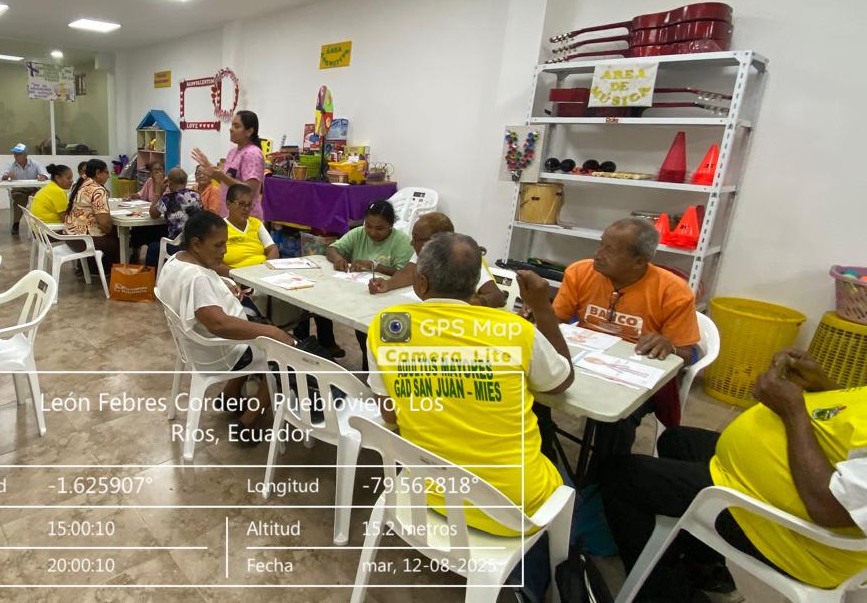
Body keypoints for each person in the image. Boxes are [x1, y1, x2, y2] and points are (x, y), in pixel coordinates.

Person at [600, 349, 867, 601]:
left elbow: (828, 507)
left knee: (621, 477)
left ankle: (670, 596)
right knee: (676, 441)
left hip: (801, 541)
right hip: (783, 477)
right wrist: (823, 388)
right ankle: (705, 568)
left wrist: (792, 410)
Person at [367, 233, 573, 537]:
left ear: (421, 283)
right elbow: (561, 381)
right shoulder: (516, 331)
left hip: (429, 492)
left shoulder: (389, 325)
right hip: (515, 511)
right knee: (566, 480)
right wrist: (543, 309)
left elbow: (390, 415)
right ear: (476, 283)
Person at [548, 216, 700, 471]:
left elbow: (685, 353)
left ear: (640, 260)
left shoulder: (674, 291)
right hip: (582, 360)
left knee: (619, 418)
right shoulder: (579, 272)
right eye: (601, 244)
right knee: (532, 384)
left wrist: (669, 345)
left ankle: (604, 478)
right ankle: (544, 454)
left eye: (610, 250)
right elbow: (557, 319)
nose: (598, 254)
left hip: (632, 375)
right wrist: (537, 308)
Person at [156, 211, 294, 439]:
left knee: (256, 324)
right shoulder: (197, 278)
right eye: (218, 245)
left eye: (225, 244)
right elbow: (219, 325)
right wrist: (273, 332)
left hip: (198, 345)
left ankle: (231, 394)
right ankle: (248, 421)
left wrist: (222, 285)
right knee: (288, 352)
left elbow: (203, 293)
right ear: (196, 244)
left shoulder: (176, 260)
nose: (224, 251)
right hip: (219, 352)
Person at [296, 200, 413, 361]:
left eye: (379, 228)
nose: (372, 232)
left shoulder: (401, 241)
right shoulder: (359, 233)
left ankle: (368, 365)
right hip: (357, 288)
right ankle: (325, 344)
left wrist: (374, 266)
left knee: (365, 329)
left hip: (384, 296)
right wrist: (338, 259)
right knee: (319, 299)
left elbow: (405, 273)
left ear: (391, 226)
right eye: (368, 226)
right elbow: (332, 249)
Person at [368, 212, 507, 309]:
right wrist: (388, 284)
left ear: (435, 241)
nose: (412, 243)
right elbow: (408, 272)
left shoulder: (465, 258)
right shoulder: (426, 252)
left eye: (416, 238)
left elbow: (497, 297)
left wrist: (458, 306)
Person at [191, 110, 266, 218]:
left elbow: (250, 190)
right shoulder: (232, 152)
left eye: (236, 126)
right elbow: (227, 183)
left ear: (249, 131)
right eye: (232, 125)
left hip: (245, 218)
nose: (231, 129)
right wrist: (211, 170)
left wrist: (221, 176)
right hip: (229, 215)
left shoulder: (252, 153)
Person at [63, 158, 120, 274]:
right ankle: (109, 271)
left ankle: (91, 267)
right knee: (120, 241)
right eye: (106, 172)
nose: (108, 176)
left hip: (70, 237)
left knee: (113, 233)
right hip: (84, 241)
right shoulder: (98, 190)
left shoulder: (80, 185)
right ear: (98, 173)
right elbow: (105, 224)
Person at [146, 167, 202, 267]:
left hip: (177, 245)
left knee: (152, 248)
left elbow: (153, 214)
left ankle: (156, 275)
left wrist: (158, 192)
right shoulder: (196, 196)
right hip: (195, 243)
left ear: (169, 183)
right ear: (185, 182)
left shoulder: (167, 199)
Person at [216, 183, 277, 273]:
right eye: (241, 204)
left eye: (249, 205)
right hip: (236, 276)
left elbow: (273, 249)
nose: (246, 209)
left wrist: (265, 269)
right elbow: (214, 263)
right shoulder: (219, 227)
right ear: (228, 204)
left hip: (263, 273)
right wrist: (241, 275)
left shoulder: (256, 224)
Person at [0, 143, 49, 236]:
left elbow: (46, 174)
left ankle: (38, 224)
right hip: (19, 190)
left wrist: (43, 177)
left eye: (19, 154)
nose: (16, 156)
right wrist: (6, 176)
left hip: (33, 189)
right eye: (15, 154)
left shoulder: (35, 164)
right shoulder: (11, 165)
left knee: (38, 199)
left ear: (25, 155)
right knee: (19, 198)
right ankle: (16, 223)